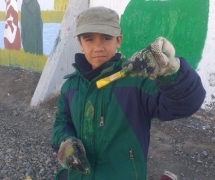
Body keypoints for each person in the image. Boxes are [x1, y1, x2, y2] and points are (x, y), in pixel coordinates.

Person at [51, 6, 206, 180]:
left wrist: (171, 73)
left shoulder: (136, 81)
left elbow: (184, 104)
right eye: (89, 40)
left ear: (119, 40)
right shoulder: (71, 86)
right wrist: (65, 141)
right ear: (80, 43)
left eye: (106, 38)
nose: (98, 47)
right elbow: (62, 122)